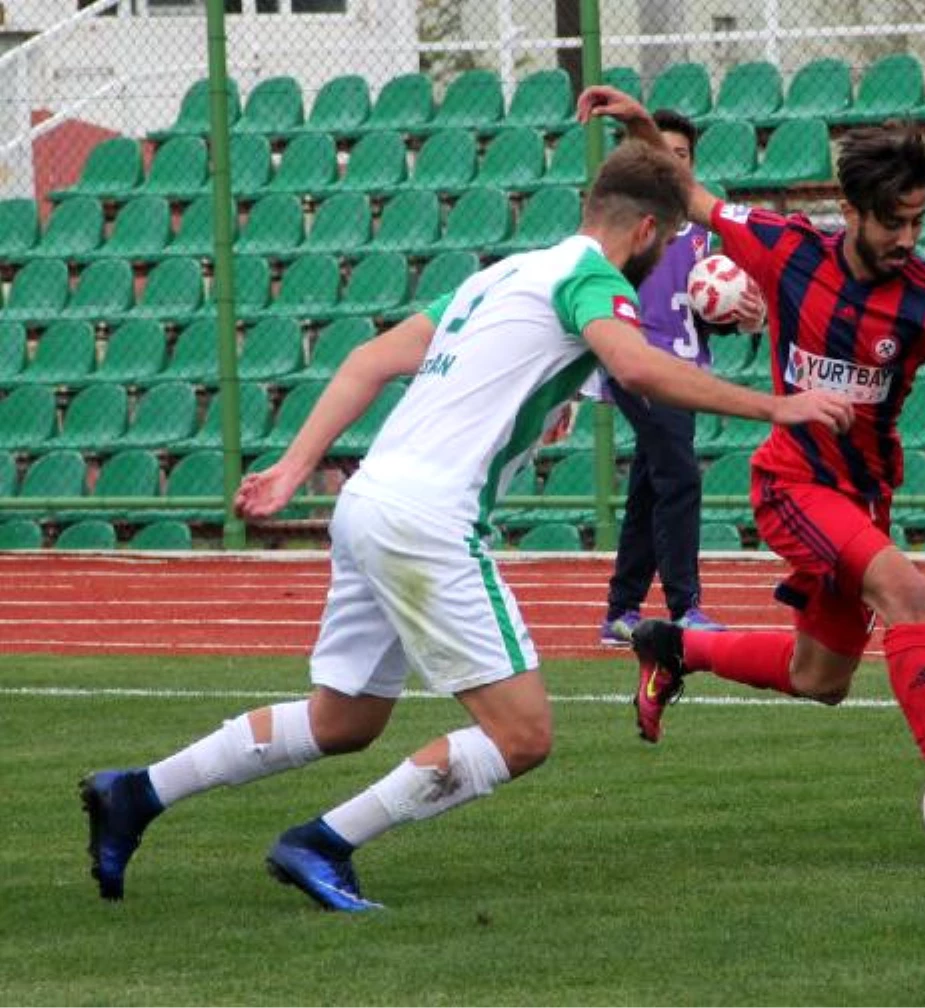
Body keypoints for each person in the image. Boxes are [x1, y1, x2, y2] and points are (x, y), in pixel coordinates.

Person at [79, 139, 856, 911]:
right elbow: (639, 368)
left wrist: (292, 469)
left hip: (369, 501)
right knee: (522, 735)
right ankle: (322, 843)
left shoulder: (507, 274)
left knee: (343, 719)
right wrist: (775, 405)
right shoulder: (593, 280)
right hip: (428, 522)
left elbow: (368, 360)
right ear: (648, 233)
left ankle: (136, 794)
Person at [579, 85, 925, 850]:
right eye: (893, 221)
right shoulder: (785, 248)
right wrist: (646, 127)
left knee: (822, 680)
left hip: (860, 499)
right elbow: (686, 191)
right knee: (907, 590)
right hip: (790, 483)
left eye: (918, 220)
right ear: (850, 210)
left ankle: (673, 647)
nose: (909, 237)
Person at [599, 108, 767, 646]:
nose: (674, 165)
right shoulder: (623, 228)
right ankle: (685, 605)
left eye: (683, 157)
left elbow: (698, 313)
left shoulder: (698, 232)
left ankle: (621, 610)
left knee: (651, 486)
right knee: (680, 476)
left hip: (683, 368)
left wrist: (737, 316)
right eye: (661, 155)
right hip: (642, 365)